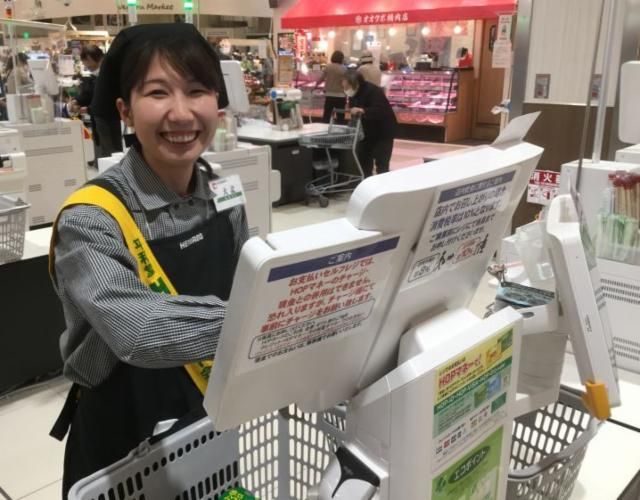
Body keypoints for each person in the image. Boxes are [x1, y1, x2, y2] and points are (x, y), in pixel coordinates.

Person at [48, 23, 249, 498]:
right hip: (123, 433)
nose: (181, 113)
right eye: (158, 93)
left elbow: (245, 279)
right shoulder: (91, 217)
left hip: (207, 414)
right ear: (125, 110)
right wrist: (262, 321)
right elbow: (136, 330)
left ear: (216, 103)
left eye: (197, 91)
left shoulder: (224, 192)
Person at [342, 70, 397, 178]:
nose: (346, 90)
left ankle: (383, 185)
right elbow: (354, 111)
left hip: (382, 132)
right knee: (364, 162)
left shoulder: (373, 91)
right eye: (344, 87)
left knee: (382, 164)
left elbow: (381, 110)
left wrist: (363, 110)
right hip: (366, 133)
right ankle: (366, 184)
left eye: (347, 87)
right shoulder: (354, 93)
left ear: (356, 83)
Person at [69, 45, 106, 159]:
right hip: (97, 117)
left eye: (87, 60)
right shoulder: (94, 75)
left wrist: (89, 109)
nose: (85, 65)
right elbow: (89, 94)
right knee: (99, 144)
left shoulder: (107, 75)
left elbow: (105, 100)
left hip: (107, 119)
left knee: (108, 149)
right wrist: (77, 101)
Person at [317, 50, 346, 123]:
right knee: (340, 116)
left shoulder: (328, 67)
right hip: (341, 95)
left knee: (327, 115)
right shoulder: (344, 68)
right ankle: (339, 128)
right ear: (341, 58)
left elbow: (321, 78)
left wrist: (316, 85)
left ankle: (325, 128)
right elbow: (346, 82)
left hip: (329, 94)